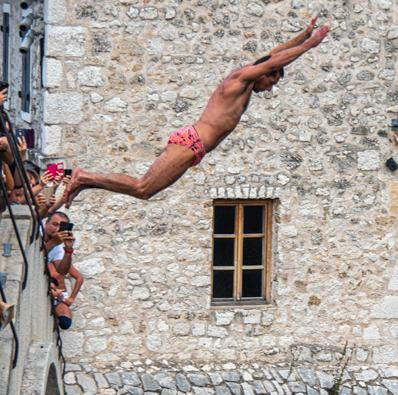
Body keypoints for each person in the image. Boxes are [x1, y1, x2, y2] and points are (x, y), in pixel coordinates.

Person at [64, 18, 330, 207]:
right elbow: (272, 61)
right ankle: (84, 176)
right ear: (265, 74)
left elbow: (272, 55)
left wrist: (304, 35)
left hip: (193, 145)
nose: (270, 89)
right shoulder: (240, 79)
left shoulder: (250, 80)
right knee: (143, 189)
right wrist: (310, 46)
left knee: (143, 189)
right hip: (191, 142)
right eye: (271, 82)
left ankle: (85, 182)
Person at [43, 211, 75, 276]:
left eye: (61, 227)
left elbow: (62, 271)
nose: (57, 229)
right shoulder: (36, 233)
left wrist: (68, 249)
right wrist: (53, 242)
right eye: (55, 224)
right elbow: (35, 254)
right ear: (46, 223)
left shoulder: (58, 247)